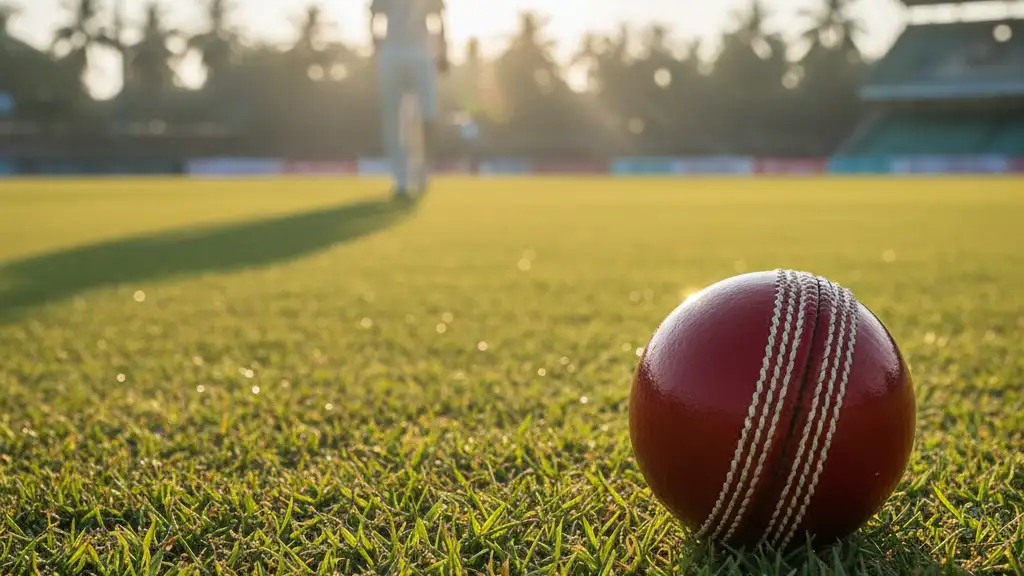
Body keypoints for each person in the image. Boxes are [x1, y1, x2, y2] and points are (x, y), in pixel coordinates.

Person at [370, 0, 449, 199]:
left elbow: (439, 18)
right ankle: (401, 181)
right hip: (392, 52)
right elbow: (374, 16)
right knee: (393, 119)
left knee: (427, 115)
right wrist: (375, 51)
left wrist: (443, 51)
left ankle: (421, 173)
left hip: (422, 51)